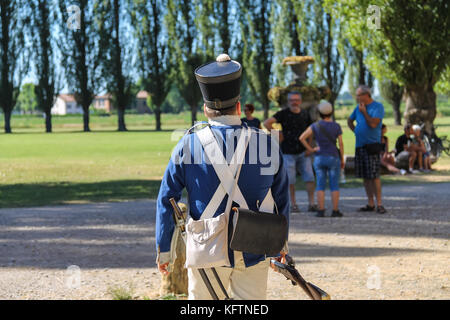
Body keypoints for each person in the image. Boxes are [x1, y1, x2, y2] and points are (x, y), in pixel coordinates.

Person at [155, 54, 290, 300]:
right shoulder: (267, 144)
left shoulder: (188, 144)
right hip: (256, 246)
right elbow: (281, 199)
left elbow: (167, 198)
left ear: (206, 109)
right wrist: (280, 245)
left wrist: (165, 250)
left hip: (207, 247)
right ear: (239, 106)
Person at [263, 92, 317, 214]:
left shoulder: (305, 113)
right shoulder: (283, 113)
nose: (294, 102)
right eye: (292, 100)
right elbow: (267, 123)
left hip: (303, 152)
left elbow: (311, 130)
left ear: (300, 101)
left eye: (297, 100)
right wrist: (278, 134)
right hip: (288, 152)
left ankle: (312, 204)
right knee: (290, 180)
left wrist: (309, 146)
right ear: (288, 102)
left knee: (310, 178)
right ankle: (293, 205)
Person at [299, 101, 345, 218]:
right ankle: (335, 210)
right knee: (334, 185)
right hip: (333, 156)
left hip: (319, 157)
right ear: (332, 112)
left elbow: (302, 138)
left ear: (319, 113)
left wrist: (311, 149)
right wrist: (342, 159)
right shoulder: (336, 126)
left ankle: (321, 210)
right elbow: (341, 143)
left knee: (320, 184)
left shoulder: (315, 126)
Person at [347, 85, 387, 214]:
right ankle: (370, 203)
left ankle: (379, 204)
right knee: (365, 177)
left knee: (374, 176)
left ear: (366, 95)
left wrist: (364, 112)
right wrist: (356, 131)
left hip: (372, 146)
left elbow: (374, 124)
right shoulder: (357, 108)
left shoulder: (377, 107)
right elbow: (349, 121)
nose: (357, 98)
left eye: (359, 95)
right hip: (360, 146)